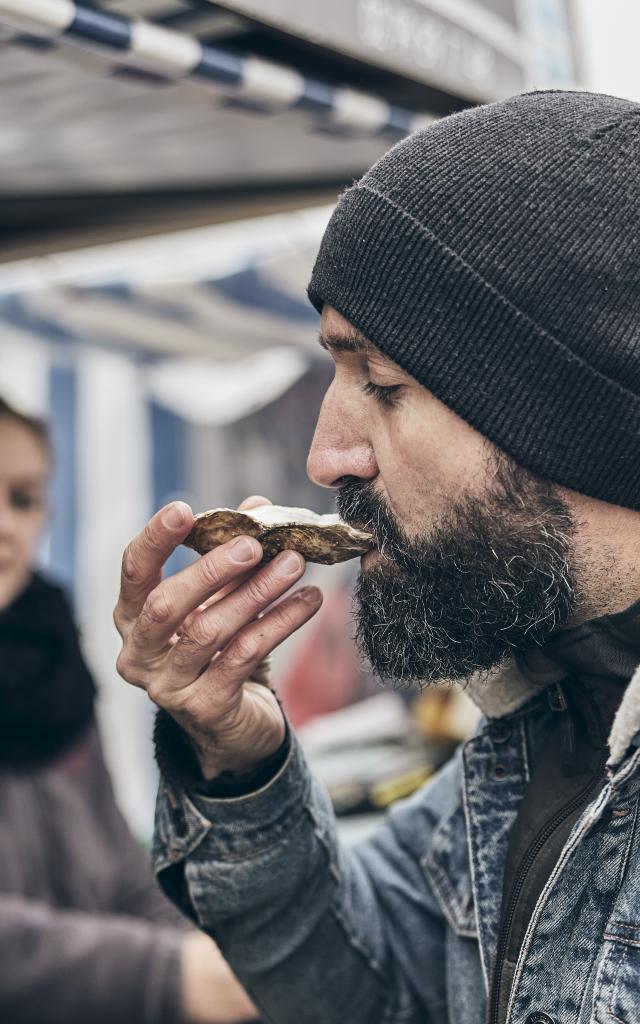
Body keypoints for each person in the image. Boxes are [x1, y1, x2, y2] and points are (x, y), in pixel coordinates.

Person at [115, 90, 640, 1024]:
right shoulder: (545, 712)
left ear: (566, 417)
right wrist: (240, 758)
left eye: (382, 385)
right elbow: (367, 989)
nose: (326, 457)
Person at [0, 396, 257, 1024]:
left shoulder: (50, 660)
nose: (5, 524)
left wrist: (216, 953)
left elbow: (116, 874)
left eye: (23, 498)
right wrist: (171, 976)